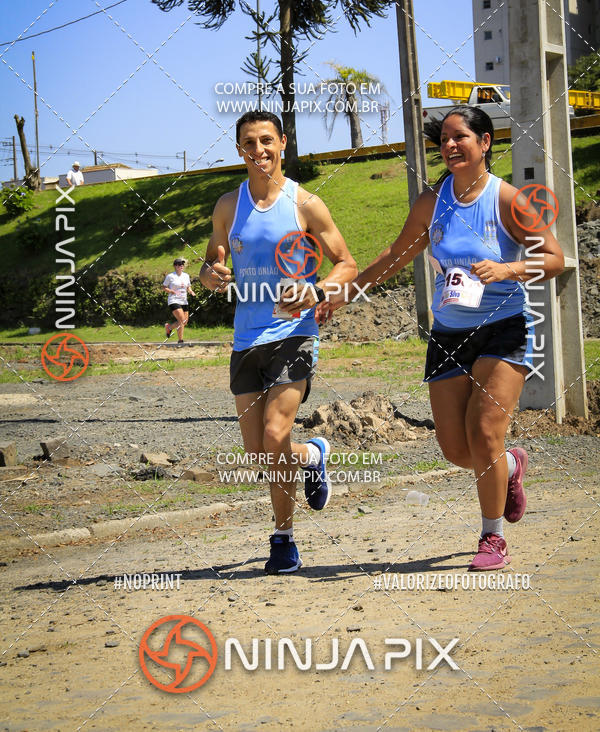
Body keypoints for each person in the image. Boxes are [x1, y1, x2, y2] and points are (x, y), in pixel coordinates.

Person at [321, 105, 564, 571]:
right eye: (444, 140)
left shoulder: (509, 199)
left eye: (460, 138)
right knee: (456, 450)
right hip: (448, 333)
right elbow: (396, 254)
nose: (450, 146)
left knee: (485, 432)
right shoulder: (432, 202)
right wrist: (346, 293)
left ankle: (492, 537)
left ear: (485, 142)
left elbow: (553, 259)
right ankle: (511, 467)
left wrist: (507, 268)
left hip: (503, 329)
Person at [200, 109, 357, 574]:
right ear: (239, 150)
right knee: (258, 453)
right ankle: (313, 455)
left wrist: (316, 289)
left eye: (266, 141)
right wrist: (211, 275)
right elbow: (212, 265)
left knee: (274, 434)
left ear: (282, 143)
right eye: (249, 143)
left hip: (294, 332)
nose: (259, 150)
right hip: (246, 339)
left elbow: (346, 264)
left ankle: (283, 539)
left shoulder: (305, 204)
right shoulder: (228, 206)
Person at [163, 257, 195, 346]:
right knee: (181, 320)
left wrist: (191, 291)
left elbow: (188, 286)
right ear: (175, 266)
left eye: (182, 264)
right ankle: (180, 341)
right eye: (179, 264)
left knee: (184, 322)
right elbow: (164, 287)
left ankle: (169, 328)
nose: (181, 266)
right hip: (174, 300)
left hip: (184, 301)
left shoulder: (186, 276)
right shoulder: (170, 276)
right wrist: (171, 291)